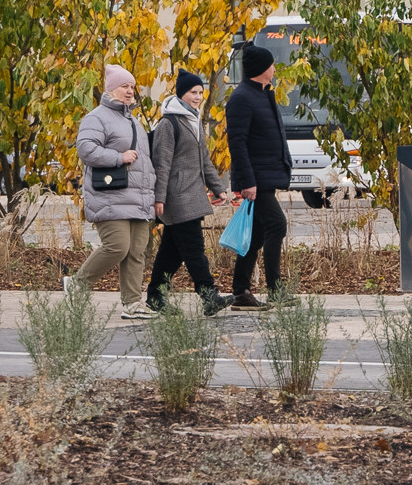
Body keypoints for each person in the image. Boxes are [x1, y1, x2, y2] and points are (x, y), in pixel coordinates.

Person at [71, 64, 158, 320]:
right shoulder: (96, 118)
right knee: (117, 246)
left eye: (132, 87)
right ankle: (78, 284)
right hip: (110, 196)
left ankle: (133, 304)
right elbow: (86, 149)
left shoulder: (134, 121)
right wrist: (119, 157)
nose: (130, 91)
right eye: (124, 86)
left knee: (136, 252)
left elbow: (145, 163)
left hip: (138, 198)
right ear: (111, 89)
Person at [149, 70, 232, 316]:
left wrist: (218, 188)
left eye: (200, 92)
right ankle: (209, 295)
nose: (197, 97)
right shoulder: (169, 123)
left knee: (172, 253)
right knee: (194, 249)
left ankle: (155, 296)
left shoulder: (193, 120)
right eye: (192, 92)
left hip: (192, 194)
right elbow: (161, 163)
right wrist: (159, 198)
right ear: (181, 94)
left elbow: (204, 160)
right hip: (177, 197)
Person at [224, 45, 291, 309]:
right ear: (261, 69)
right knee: (277, 224)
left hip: (266, 175)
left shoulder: (263, 94)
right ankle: (276, 290)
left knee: (257, 236)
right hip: (256, 180)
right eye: (271, 64)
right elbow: (237, 143)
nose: (274, 68)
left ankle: (241, 292)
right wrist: (248, 181)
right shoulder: (241, 98)